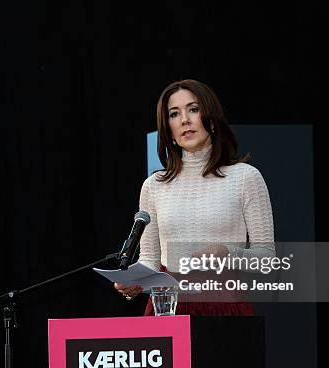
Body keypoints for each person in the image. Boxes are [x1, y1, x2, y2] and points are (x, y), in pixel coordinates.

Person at [115, 79, 275, 317]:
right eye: (174, 114)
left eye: (193, 109)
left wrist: (228, 253)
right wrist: (134, 280)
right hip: (167, 308)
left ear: (211, 118)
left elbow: (266, 260)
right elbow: (150, 259)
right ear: (168, 127)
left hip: (224, 305)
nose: (184, 120)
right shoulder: (153, 186)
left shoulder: (245, 177)